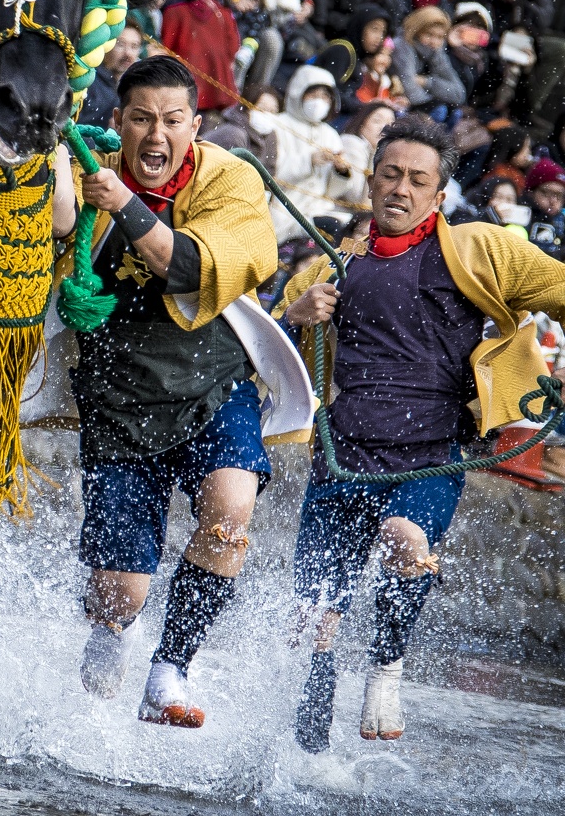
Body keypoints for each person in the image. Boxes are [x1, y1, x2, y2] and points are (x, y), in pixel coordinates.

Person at [279, 116, 565, 751]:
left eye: (417, 180)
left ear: (439, 194)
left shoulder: (479, 248)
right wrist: (297, 315)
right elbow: (266, 346)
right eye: (390, 175)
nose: (400, 189)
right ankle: (309, 746)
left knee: (406, 541)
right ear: (371, 182)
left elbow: (561, 288)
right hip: (343, 453)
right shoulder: (331, 265)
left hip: (431, 452)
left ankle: (386, 668)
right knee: (313, 620)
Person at [54, 55, 278, 727]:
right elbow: (55, 231)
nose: (157, 136)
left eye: (173, 120)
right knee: (120, 593)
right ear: (117, 121)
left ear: (195, 126)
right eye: (142, 119)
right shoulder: (88, 162)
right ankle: (109, 633)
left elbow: (188, 268)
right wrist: (57, 155)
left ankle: (171, 668)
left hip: (213, 376)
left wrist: (122, 203)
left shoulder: (231, 178)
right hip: (116, 392)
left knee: (230, 516)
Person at [269, 64, 357, 241]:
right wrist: (309, 161)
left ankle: (350, 259)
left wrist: (340, 171)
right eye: (313, 95)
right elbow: (270, 174)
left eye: (325, 97)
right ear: (298, 93)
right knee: (333, 229)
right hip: (285, 212)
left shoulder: (330, 134)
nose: (319, 102)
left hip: (319, 209)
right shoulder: (277, 125)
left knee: (357, 231)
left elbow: (332, 192)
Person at [393, 6, 465, 117]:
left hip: (417, 104)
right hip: (397, 105)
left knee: (454, 113)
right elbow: (412, 92)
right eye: (429, 34)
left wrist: (427, 82)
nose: (434, 42)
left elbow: (458, 94)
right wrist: (434, 100)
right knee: (439, 111)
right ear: (416, 31)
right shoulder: (402, 45)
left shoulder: (435, 52)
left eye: (440, 37)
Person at [523, 157, 565, 259]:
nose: (553, 201)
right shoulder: (520, 214)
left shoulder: (562, 220)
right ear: (531, 192)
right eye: (547, 192)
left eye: (559, 195)